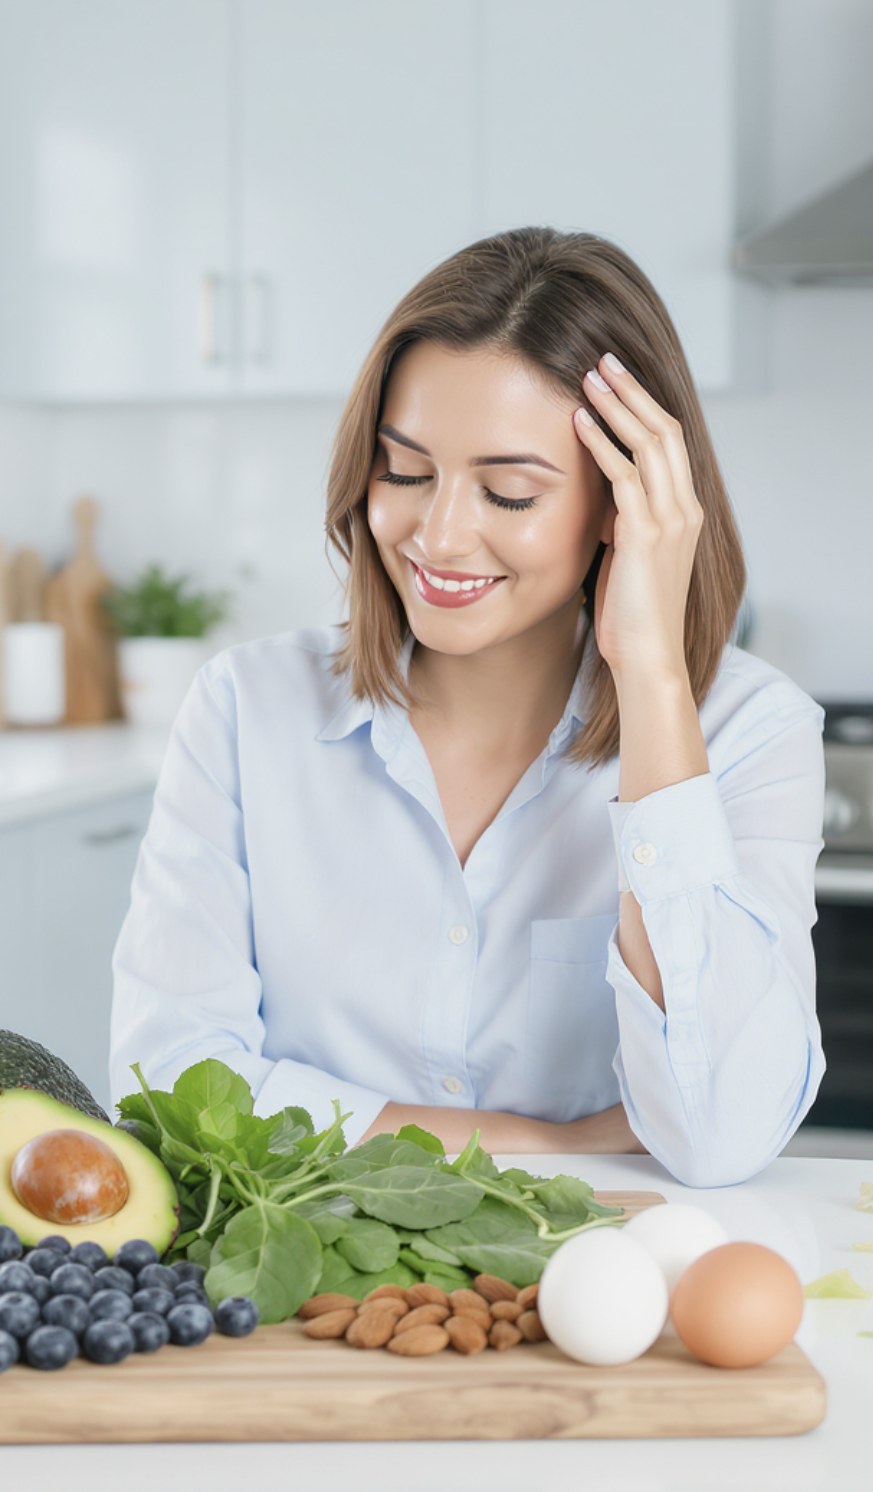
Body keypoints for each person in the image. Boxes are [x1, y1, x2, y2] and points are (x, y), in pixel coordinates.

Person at [108, 227, 825, 1188]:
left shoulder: (752, 732)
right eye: (405, 472)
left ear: (624, 506)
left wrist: (653, 676)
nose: (439, 535)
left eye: (509, 492)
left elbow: (720, 1136)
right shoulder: (245, 710)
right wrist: (552, 1142)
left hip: (612, 1262)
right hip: (305, 1265)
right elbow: (170, 1087)